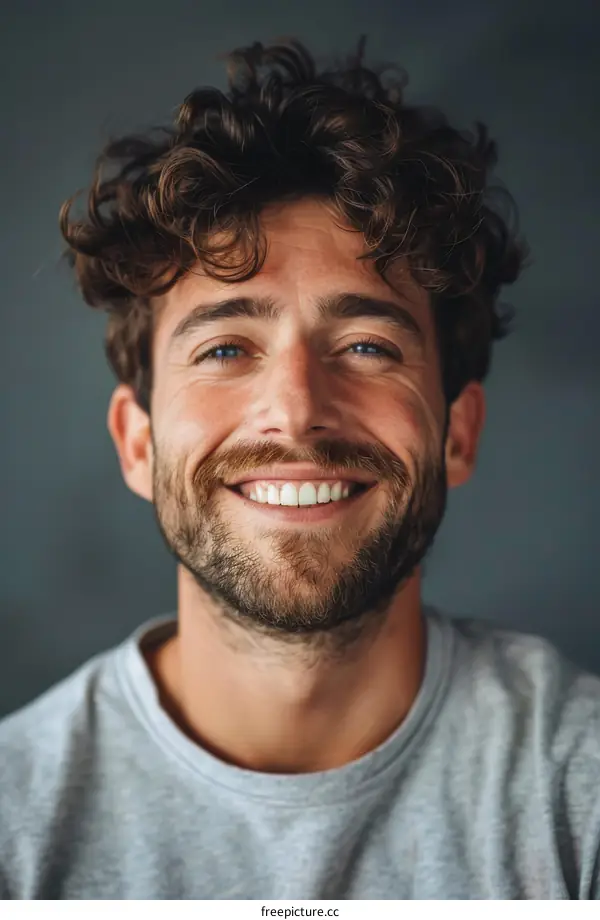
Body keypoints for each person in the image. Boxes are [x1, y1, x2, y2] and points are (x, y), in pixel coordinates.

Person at [0, 35, 598, 901]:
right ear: (137, 443)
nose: (296, 408)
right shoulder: (16, 826)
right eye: (226, 348)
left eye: (366, 345)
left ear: (457, 434)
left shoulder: (578, 793)